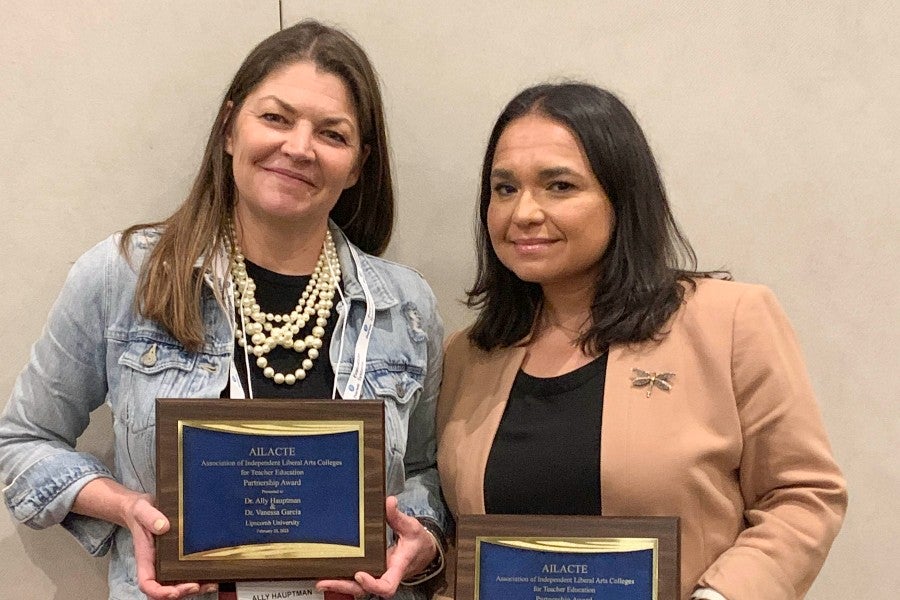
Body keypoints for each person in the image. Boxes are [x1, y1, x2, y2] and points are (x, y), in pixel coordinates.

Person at [0, 20, 447, 600]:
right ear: (230, 128)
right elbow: (23, 442)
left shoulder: (406, 306)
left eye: (331, 134)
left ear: (358, 164)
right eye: (275, 118)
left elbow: (424, 472)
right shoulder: (124, 277)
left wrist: (421, 541)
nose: (298, 147)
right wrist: (127, 507)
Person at [436, 83, 847, 600]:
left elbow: (804, 494)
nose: (524, 213)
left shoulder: (731, 321)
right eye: (504, 189)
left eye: (559, 186)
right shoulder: (469, 355)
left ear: (622, 196)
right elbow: (464, 543)